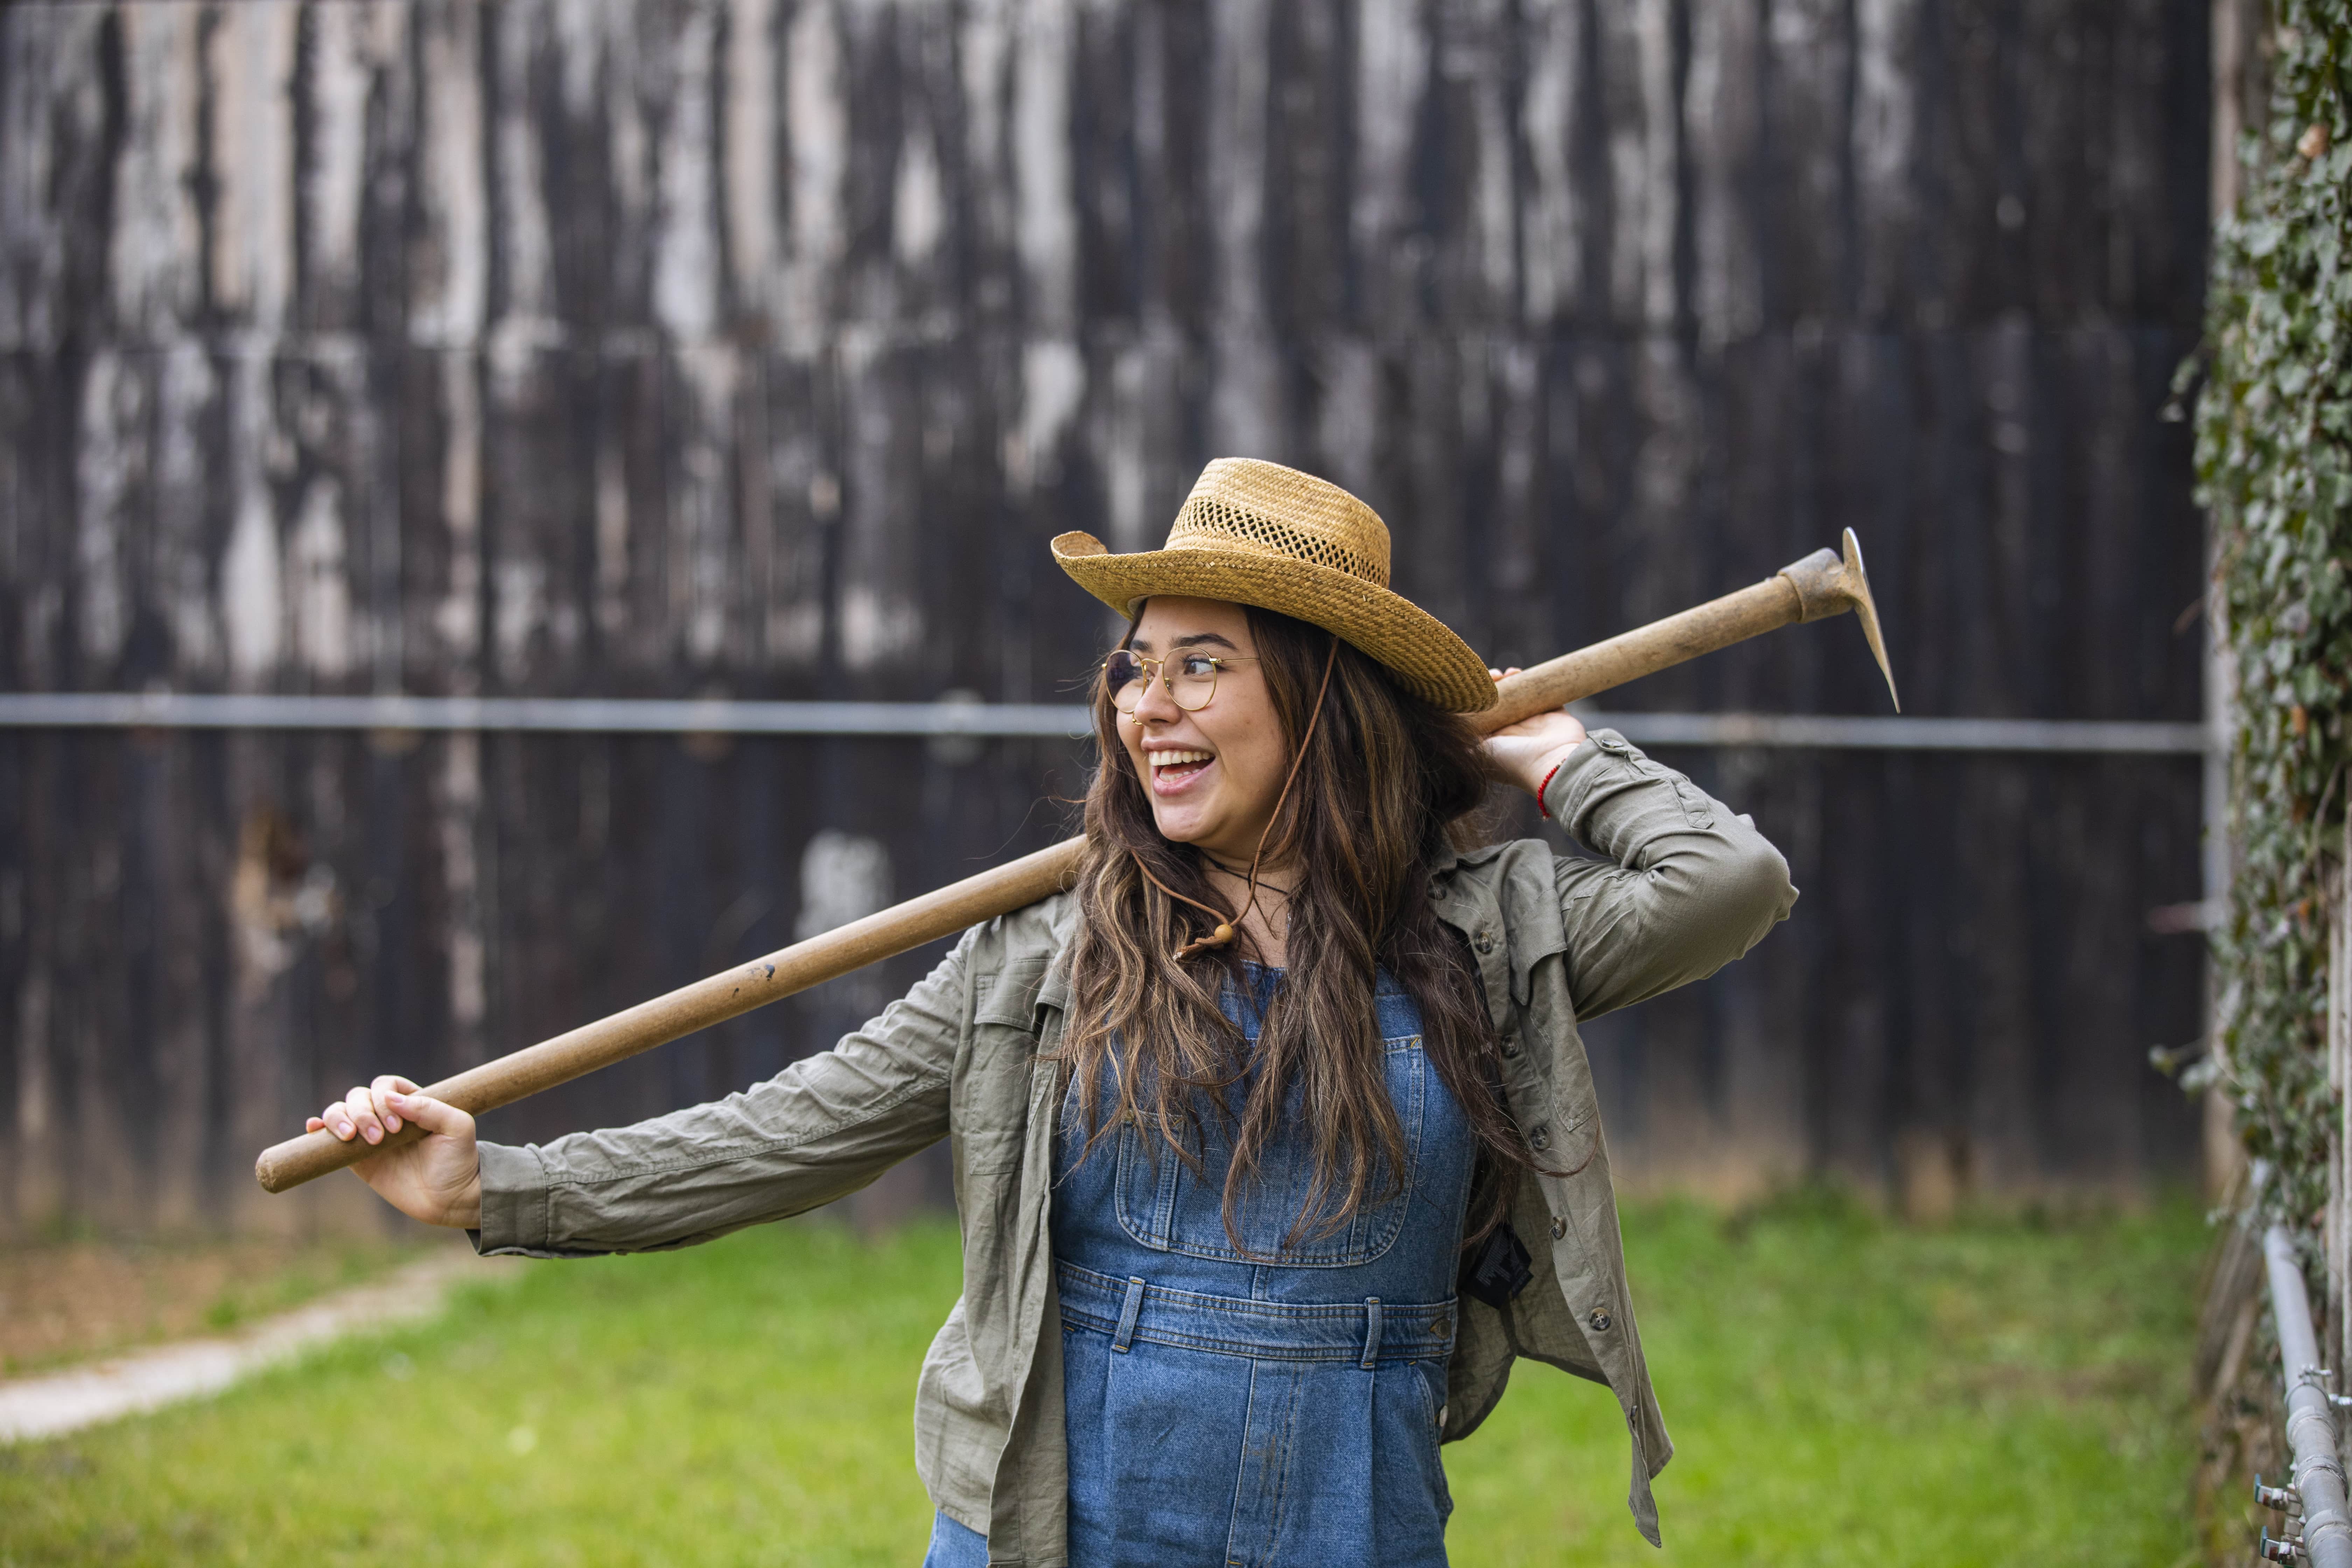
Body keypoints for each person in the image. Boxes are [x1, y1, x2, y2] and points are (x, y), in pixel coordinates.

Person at [309, 458, 1796, 1566]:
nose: (1148, 704)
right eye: (1134, 666)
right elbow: (787, 1134)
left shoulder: (1482, 933)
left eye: (1204, 666)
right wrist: (497, 1185)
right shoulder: (1051, 950)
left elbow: (1725, 877)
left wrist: (1555, 749)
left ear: (1322, 704)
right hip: (1061, 1514)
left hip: (1356, 1511)